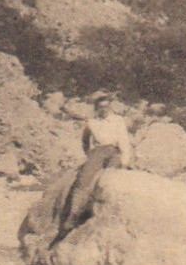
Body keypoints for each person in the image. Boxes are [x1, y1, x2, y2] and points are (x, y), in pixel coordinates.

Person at [53, 94, 134, 240]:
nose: (104, 110)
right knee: (82, 181)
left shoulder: (118, 120)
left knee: (109, 180)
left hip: (114, 151)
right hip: (97, 151)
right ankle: (72, 216)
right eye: (100, 107)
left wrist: (125, 160)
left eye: (106, 107)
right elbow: (85, 140)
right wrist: (89, 154)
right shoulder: (91, 122)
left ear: (110, 107)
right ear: (96, 108)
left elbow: (124, 140)